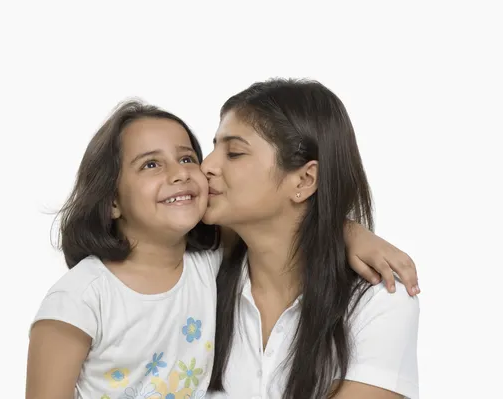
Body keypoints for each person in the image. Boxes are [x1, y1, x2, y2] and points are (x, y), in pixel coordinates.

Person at [25, 98, 418, 399]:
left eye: (187, 158)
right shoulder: (81, 296)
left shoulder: (205, 263)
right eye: (150, 165)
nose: (192, 171)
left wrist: (348, 231)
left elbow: (295, 226)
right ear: (110, 199)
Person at [204, 79, 419, 399]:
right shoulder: (199, 275)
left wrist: (340, 229)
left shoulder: (379, 296)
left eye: (234, 153)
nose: (206, 166)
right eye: (214, 148)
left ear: (304, 180)